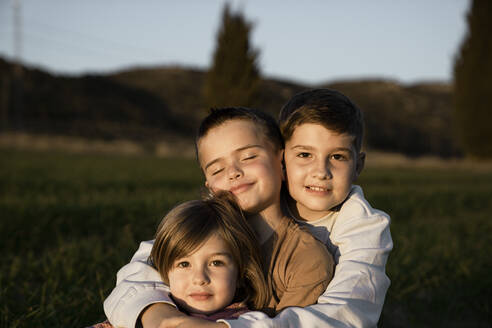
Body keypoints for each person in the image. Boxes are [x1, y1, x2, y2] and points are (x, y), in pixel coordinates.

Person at [103, 107, 335, 328]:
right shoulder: (197, 231)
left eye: (248, 156)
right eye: (217, 170)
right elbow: (133, 282)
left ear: (282, 161)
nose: (233, 172)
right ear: (209, 186)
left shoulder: (306, 259)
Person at [148, 192, 268, 321]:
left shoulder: (249, 322)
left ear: (240, 272)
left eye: (216, 263)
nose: (199, 279)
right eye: (184, 264)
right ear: (164, 272)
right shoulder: (151, 315)